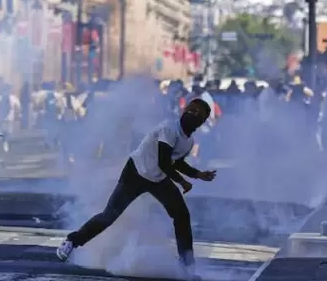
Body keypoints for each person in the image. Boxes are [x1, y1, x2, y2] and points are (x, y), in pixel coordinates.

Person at [56, 99, 217, 279]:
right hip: (136, 173)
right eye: (191, 110)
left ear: (202, 121)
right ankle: (72, 241)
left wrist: (198, 174)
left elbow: (176, 161)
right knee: (109, 216)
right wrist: (182, 182)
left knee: (182, 216)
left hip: (158, 178)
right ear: (184, 110)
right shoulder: (169, 128)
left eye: (197, 114)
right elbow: (163, 161)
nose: (192, 115)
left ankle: (187, 267)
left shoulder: (189, 141)